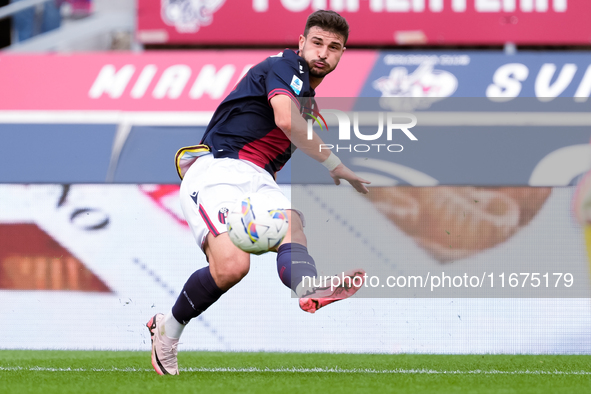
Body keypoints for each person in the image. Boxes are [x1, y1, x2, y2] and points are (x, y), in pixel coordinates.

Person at [146, 10, 370, 376]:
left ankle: (308, 286)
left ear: (341, 55)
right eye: (317, 43)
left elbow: (285, 130)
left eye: (334, 47)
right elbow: (284, 119)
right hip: (219, 169)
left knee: (291, 224)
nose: (323, 53)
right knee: (232, 267)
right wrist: (335, 165)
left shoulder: (308, 100)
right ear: (301, 43)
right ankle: (167, 331)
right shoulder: (285, 66)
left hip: (259, 180)